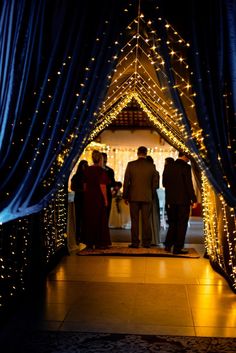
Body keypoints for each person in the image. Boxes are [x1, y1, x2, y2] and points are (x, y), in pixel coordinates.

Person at [123, 146, 159, 248]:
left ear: (137, 153)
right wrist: (151, 194)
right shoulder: (151, 166)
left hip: (133, 197)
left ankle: (135, 243)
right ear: (146, 153)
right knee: (146, 221)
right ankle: (146, 243)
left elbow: (126, 182)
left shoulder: (131, 165)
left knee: (134, 221)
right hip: (147, 197)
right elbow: (155, 184)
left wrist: (125, 196)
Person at [162, 152, 197, 254]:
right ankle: (178, 248)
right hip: (183, 201)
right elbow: (188, 184)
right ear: (185, 156)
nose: (189, 159)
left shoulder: (168, 166)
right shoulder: (186, 167)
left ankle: (168, 246)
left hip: (170, 200)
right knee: (182, 224)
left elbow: (164, 183)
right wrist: (193, 199)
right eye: (188, 157)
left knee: (172, 223)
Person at [82, 150, 111, 250]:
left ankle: (89, 243)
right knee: (100, 219)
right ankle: (100, 243)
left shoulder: (87, 170)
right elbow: (102, 186)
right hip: (98, 197)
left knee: (89, 219)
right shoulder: (101, 171)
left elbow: (85, 186)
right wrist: (106, 199)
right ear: (100, 159)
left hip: (89, 197)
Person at [70, 159, 88, 244]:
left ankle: (83, 237)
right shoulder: (76, 176)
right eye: (84, 166)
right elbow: (72, 187)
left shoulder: (87, 176)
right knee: (79, 218)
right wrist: (82, 190)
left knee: (84, 218)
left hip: (84, 198)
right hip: (79, 198)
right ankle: (78, 237)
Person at [146, 155, 160, 246]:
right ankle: (154, 239)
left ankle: (146, 238)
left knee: (146, 218)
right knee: (154, 217)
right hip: (153, 196)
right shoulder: (156, 172)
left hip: (148, 196)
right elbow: (156, 186)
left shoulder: (146, 171)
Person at [102, 152, 116, 221]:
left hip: (107, 193)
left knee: (107, 213)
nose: (105, 160)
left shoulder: (110, 171)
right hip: (98, 194)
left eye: (105, 158)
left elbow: (113, 183)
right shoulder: (94, 169)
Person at [162, 157, 175, 224]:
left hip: (169, 193)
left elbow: (164, 184)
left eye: (165, 162)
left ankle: (170, 222)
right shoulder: (176, 169)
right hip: (176, 195)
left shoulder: (166, 169)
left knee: (169, 209)